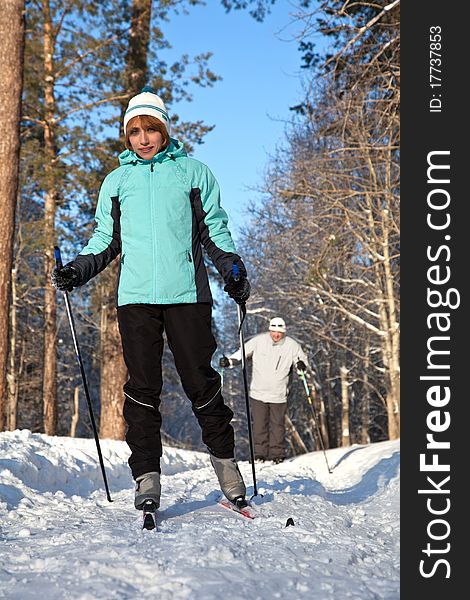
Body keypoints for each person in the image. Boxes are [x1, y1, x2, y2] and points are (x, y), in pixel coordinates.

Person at [51, 87, 251, 510]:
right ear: (127, 135)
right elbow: (106, 240)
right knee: (142, 389)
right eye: (135, 131)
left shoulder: (193, 173)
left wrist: (231, 266)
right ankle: (146, 478)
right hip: (136, 299)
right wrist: (77, 269)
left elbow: (213, 229)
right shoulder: (117, 182)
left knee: (201, 383)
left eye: (151, 130)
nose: (143, 138)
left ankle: (226, 465)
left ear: (164, 131)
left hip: (187, 297)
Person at [220, 317, 308, 463]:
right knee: (259, 425)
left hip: (279, 395)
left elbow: (301, 362)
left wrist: (301, 366)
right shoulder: (258, 341)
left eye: (279, 332)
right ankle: (259, 455)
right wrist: (229, 361)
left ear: (283, 332)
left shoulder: (292, 345)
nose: (276, 334)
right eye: (274, 331)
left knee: (277, 426)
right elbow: (242, 353)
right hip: (258, 393)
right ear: (270, 330)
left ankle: (277, 455)